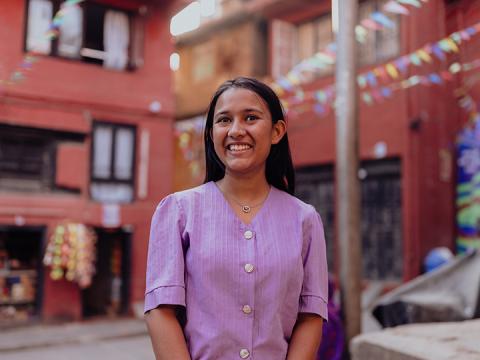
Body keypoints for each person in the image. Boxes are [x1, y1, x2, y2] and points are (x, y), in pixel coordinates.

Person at [144, 77, 328, 360]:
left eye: (251, 118)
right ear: (211, 133)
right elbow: (161, 311)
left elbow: (310, 314)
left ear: (277, 131)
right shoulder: (178, 212)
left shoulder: (304, 220)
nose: (236, 131)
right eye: (223, 120)